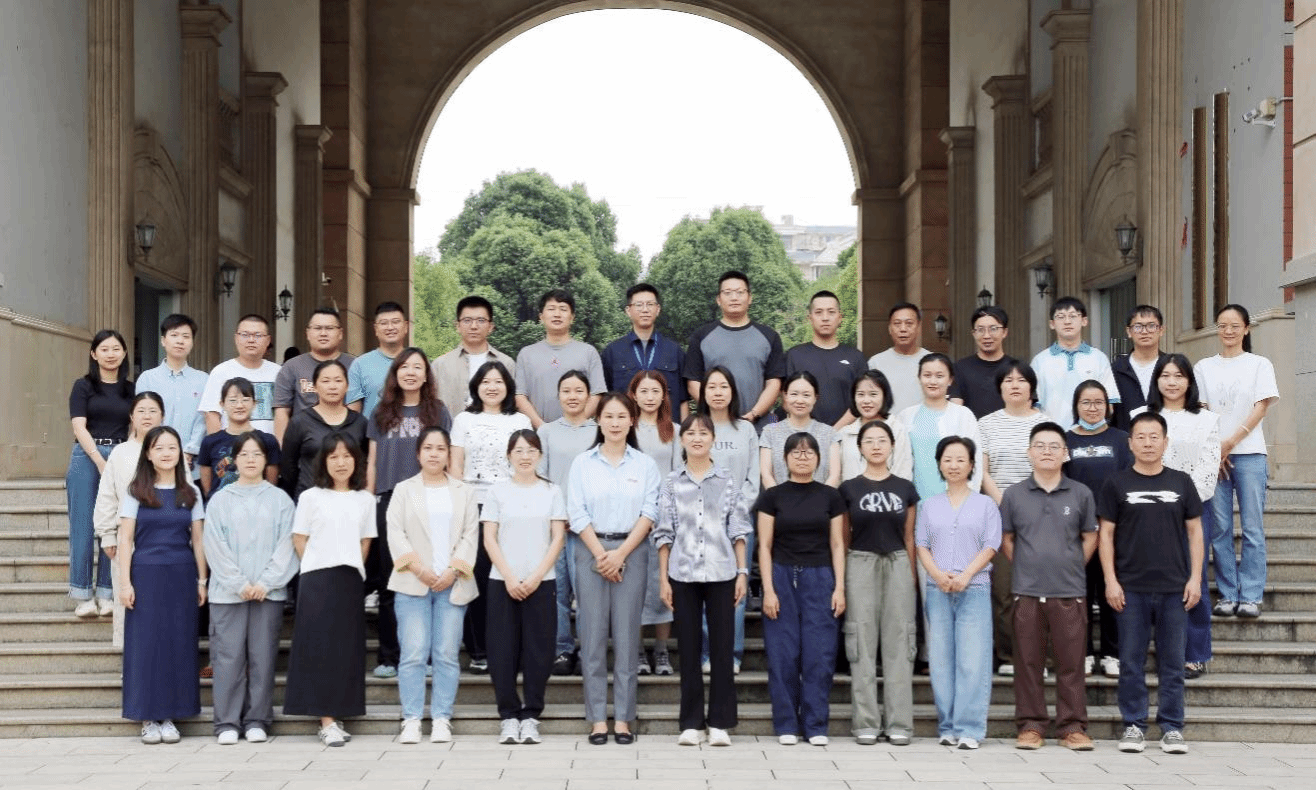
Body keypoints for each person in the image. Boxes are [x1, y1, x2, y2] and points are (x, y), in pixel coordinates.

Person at [1098, 412, 1204, 756]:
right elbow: (1106, 535)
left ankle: (1172, 728)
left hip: (1175, 588)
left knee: (1172, 663)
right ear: (1130, 443)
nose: (1147, 443)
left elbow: (1195, 532)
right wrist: (1111, 581)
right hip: (1130, 588)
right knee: (1130, 662)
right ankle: (1133, 725)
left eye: (1154, 436)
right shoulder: (1116, 483)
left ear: (1165, 442)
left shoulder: (1181, 482)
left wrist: (1195, 579)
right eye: (1140, 437)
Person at [566, 392, 661, 745]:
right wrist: (601, 554)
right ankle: (597, 720)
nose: (616, 423)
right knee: (592, 638)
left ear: (632, 420)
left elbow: (650, 512)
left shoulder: (645, 465)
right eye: (609, 416)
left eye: (622, 416)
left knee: (626, 638)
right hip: (589, 550)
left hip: (631, 552)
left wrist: (620, 554)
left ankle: (622, 718)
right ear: (599, 421)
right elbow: (576, 511)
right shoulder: (582, 463)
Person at [652, 413, 752, 747]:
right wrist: (664, 579)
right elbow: (664, 532)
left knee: (722, 648)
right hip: (682, 573)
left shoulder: (727, 479)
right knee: (689, 648)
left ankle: (720, 722)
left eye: (703, 433)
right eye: (691, 433)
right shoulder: (671, 482)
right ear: (682, 440)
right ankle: (692, 723)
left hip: (722, 572)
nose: (697, 438)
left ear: (713, 439)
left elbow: (738, 528)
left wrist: (742, 572)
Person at [1000, 422, 1098, 751]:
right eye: (1040, 446)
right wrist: (1028, 566)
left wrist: (1070, 565)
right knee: (1028, 664)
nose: (1047, 451)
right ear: (1029, 453)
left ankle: (1072, 727)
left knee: (1071, 664)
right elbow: (1007, 539)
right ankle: (1031, 726)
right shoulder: (1013, 495)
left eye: (1054, 446)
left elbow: (1090, 537)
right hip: (1027, 592)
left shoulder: (1081, 493)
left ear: (1065, 453)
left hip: (1069, 592)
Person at [202, 432, 297, 745]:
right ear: (234, 459)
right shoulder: (221, 500)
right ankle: (227, 722)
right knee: (227, 658)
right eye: (245, 454)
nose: (251, 460)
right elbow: (214, 545)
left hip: (268, 593)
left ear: (266, 459)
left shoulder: (280, 500)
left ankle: (257, 719)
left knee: (262, 657)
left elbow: (288, 545)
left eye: (257, 454)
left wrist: (267, 582)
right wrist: (239, 583)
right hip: (227, 595)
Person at [387, 426, 480, 744]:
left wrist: (453, 570)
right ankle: (411, 718)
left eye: (440, 448)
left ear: (448, 454)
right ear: (418, 453)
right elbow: (395, 533)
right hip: (412, 582)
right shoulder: (404, 490)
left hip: (452, 584)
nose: (434, 454)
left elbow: (470, 535)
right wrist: (418, 568)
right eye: (428, 448)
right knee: (413, 653)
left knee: (446, 654)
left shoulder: (464, 491)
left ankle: (441, 717)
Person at [283, 434, 376, 747]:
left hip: (350, 578)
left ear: (356, 461)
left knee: (346, 649)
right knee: (320, 648)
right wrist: (316, 563)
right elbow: (299, 538)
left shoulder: (364, 499)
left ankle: (340, 713)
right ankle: (326, 720)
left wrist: (351, 566)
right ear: (323, 461)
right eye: (333, 456)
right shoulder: (311, 497)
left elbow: (365, 541)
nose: (340, 462)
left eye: (347, 456)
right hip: (317, 578)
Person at [366, 347, 453, 679]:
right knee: (392, 579)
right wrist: (369, 500)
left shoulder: (438, 411)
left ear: (426, 374)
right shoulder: (381, 412)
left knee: (429, 577)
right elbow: (372, 461)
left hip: (430, 498)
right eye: (405, 367)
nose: (411, 373)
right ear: (396, 373)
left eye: (418, 367)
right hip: (390, 500)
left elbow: (447, 457)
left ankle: (427, 656)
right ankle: (390, 656)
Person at [117, 426, 207, 745]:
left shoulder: (190, 492)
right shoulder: (136, 491)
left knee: (177, 643)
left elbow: (198, 540)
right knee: (146, 645)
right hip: (145, 575)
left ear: (181, 453)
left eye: (172, 447)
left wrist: (202, 579)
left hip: (181, 574)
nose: (166, 453)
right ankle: (147, 717)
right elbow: (125, 539)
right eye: (159, 448)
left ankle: (169, 716)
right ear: (149, 454)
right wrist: (125, 583)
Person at [757, 432, 846, 746]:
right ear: (785, 459)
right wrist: (768, 589)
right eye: (796, 452)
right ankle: (786, 725)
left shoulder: (831, 496)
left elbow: (838, 544)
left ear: (819, 459)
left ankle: (816, 725)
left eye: (809, 452)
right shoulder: (772, 496)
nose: (803, 457)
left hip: (820, 577)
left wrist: (840, 587)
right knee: (782, 654)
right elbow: (764, 546)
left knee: (819, 654)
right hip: (781, 575)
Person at [1195, 304, 1280, 619]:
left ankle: (1252, 595)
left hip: (1250, 454)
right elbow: (1201, 409)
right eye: (1222, 325)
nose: (1228, 331)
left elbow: (1261, 407)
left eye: (1234, 325)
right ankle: (1228, 594)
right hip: (1214, 457)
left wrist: (1229, 443)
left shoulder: (1259, 364)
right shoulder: (1204, 367)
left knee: (1253, 527)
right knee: (1220, 527)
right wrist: (1215, 449)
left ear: (1246, 329)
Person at [482, 429, 567, 745]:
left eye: (531, 450)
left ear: (540, 455)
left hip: (541, 583)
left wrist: (534, 577)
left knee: (538, 651)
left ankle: (531, 716)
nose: (525, 456)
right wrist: (509, 576)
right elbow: (489, 538)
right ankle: (508, 716)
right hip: (502, 582)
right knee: (502, 651)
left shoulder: (552, 491)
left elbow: (557, 538)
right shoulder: (497, 492)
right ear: (508, 455)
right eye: (518, 450)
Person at [916, 436, 1000, 750]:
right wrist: (938, 575)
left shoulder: (985, 504)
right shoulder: (928, 505)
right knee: (941, 660)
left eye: (960, 459)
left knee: (972, 660)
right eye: (947, 459)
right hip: (938, 589)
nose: (953, 465)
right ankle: (947, 726)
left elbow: (991, 545)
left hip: (974, 588)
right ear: (939, 464)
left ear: (971, 465)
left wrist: (965, 575)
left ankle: (970, 729)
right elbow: (922, 545)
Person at [839, 419, 919, 746]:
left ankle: (900, 723)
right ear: (859, 447)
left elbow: (910, 537)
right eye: (869, 440)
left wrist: (911, 577)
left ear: (892, 446)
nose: (876, 446)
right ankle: (866, 722)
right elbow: (843, 537)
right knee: (860, 642)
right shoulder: (849, 489)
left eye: (882, 440)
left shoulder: (905, 488)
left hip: (898, 562)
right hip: (860, 561)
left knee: (900, 641)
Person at [1140, 354, 1219, 680]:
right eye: (1165, 375)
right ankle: (1165, 651)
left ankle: (1195, 653)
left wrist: (1179, 502)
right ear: (1156, 380)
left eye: (1179, 376)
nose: (1172, 382)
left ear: (1189, 381)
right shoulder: (1141, 417)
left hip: (1193, 509)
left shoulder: (1206, 420)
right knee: (1154, 581)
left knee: (1193, 579)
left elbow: (1208, 468)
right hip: (1146, 508)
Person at [450, 360, 531, 674]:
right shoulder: (464, 420)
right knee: (478, 576)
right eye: (485, 382)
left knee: (512, 575)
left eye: (498, 381)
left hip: (512, 505)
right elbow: (456, 466)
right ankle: (479, 650)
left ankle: (513, 648)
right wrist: (461, 507)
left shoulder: (520, 420)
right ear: (476, 387)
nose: (492, 387)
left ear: (508, 386)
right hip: (474, 505)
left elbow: (527, 464)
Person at [978, 361, 1049, 676]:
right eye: (1008, 380)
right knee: (1004, 590)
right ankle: (1009, 656)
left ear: (1032, 387)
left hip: (1040, 514)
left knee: (1041, 590)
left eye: (1021, 380)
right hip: (999, 516)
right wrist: (1007, 503)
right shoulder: (986, 424)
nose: (1015, 385)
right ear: (1000, 388)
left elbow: (1052, 467)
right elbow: (982, 471)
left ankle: (1041, 658)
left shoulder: (1046, 423)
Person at [1063, 381, 1133, 678]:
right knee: (1079, 593)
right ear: (1076, 406)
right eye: (1086, 402)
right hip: (1076, 531)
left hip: (1113, 529)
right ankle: (1084, 653)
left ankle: (1111, 653)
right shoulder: (1065, 440)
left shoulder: (1121, 439)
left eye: (1098, 402)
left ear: (1108, 407)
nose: (1092, 408)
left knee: (1111, 591)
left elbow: (1129, 479)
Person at [694, 366, 761, 671]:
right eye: (712, 387)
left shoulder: (745, 429)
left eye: (723, 386)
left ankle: (731, 654)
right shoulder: (696, 427)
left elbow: (753, 478)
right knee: (705, 588)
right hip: (701, 520)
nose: (718, 392)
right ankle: (708, 653)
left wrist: (735, 510)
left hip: (739, 520)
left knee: (736, 588)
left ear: (732, 392)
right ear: (703, 393)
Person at [537, 370, 599, 676]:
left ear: (588, 395)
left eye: (579, 390)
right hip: (556, 526)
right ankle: (562, 648)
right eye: (567, 391)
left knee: (589, 593)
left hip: (590, 528)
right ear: (558, 395)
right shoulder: (546, 432)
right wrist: (557, 518)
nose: (573, 396)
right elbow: (541, 478)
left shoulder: (599, 430)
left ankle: (589, 650)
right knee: (557, 591)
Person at [68, 329, 133, 617]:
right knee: (82, 527)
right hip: (86, 456)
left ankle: (107, 592)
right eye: (104, 349)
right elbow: (78, 426)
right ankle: (82, 594)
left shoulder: (130, 389)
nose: (110, 354)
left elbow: (134, 427)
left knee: (114, 525)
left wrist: (123, 459)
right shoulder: (83, 386)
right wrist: (99, 460)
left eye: (116, 348)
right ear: (94, 354)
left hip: (120, 454)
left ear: (124, 353)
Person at [94, 392, 165, 647]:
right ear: (132, 417)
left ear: (162, 416)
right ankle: (132, 662)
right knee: (129, 601)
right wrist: (107, 534)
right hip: (128, 540)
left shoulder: (170, 449)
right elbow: (107, 495)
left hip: (165, 540)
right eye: (141, 411)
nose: (147, 416)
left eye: (153, 411)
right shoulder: (120, 453)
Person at [683, 270, 787, 430]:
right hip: (714, 427)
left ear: (750, 298)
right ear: (718, 299)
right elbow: (693, 382)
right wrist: (719, 413)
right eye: (728, 293)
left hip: (758, 428)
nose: (734, 298)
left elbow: (774, 383)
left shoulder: (769, 336)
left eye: (740, 292)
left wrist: (754, 414)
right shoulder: (701, 336)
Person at [627, 371, 679, 675]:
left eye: (655, 391)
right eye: (643, 391)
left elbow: (677, 474)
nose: (649, 397)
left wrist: (667, 514)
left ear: (664, 395)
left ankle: (661, 651)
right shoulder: (626, 427)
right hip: (631, 518)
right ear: (633, 395)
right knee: (634, 587)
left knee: (662, 584)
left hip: (663, 518)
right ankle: (636, 651)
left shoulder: (674, 430)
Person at [892, 353, 983, 500]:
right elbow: (898, 462)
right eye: (927, 375)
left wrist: (970, 499)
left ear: (950, 380)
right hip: (915, 501)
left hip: (957, 501)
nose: (933, 381)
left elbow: (975, 461)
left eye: (939, 376)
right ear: (919, 378)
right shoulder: (905, 416)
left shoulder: (963, 415)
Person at [514, 289, 607, 428]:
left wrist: (574, 424)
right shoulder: (526, 354)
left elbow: (597, 394)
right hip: (537, 434)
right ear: (541, 316)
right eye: (551, 309)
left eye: (563, 309)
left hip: (579, 432)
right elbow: (520, 396)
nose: (557, 314)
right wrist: (542, 427)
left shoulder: (588, 352)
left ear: (572, 317)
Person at [279, 360, 368, 500]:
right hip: (310, 500)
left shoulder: (360, 422)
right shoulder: (300, 422)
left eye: (338, 380)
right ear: (314, 386)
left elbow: (365, 463)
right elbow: (288, 467)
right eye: (325, 381)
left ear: (347, 386)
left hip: (350, 500)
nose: (332, 386)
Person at [135, 314, 208, 473]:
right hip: (153, 464)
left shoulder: (203, 380)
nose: (180, 341)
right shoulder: (147, 379)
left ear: (192, 342)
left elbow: (203, 420)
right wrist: (159, 450)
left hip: (192, 466)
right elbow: (142, 420)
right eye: (174, 335)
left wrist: (190, 451)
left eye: (186, 336)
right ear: (163, 340)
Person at [1030, 297, 1119, 425]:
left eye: (1073, 316)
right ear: (1052, 324)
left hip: (1089, 434)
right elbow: (1033, 406)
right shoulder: (1040, 361)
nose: (1067, 322)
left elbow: (1109, 404)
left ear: (1084, 321)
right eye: (1060, 317)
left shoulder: (1099, 358)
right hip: (1051, 433)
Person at [601, 283, 685, 417]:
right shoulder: (612, 352)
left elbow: (683, 399)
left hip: (667, 426)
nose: (645, 310)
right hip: (626, 427)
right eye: (639, 305)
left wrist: (683, 429)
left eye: (650, 304)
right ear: (628, 310)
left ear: (658, 309)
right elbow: (604, 399)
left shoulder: (674, 350)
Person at [273, 307, 356, 441]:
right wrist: (284, 449)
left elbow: (356, 410)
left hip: (345, 444)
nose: (323, 333)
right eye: (317, 328)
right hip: (303, 444)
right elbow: (282, 411)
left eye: (329, 328)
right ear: (307, 333)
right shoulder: (291, 367)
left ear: (340, 333)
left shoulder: (355, 366)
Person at [786, 290, 866, 427]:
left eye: (831, 312)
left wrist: (834, 431)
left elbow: (863, 399)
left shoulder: (855, 357)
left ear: (840, 317)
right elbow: (785, 399)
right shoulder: (794, 355)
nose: (825, 318)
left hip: (846, 432)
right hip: (804, 433)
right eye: (818, 312)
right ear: (810, 318)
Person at [431, 295, 517, 414]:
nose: (474, 326)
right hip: (450, 426)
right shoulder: (440, 365)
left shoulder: (506, 363)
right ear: (457, 326)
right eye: (467, 320)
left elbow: (512, 402)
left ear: (491, 326)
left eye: (481, 320)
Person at [196, 378, 280, 499]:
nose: (239, 405)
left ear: (254, 403)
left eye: (245, 400)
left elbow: (271, 484)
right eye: (233, 400)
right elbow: (208, 487)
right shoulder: (210, 442)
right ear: (222, 404)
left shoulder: (268, 441)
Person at [198, 315, 281, 435]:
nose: (251, 340)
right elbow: (212, 415)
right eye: (245, 335)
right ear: (236, 338)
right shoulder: (221, 372)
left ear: (268, 340)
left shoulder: (278, 372)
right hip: (231, 445)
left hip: (269, 445)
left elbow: (285, 414)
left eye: (258, 335)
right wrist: (218, 444)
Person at [759, 371, 841, 488]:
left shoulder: (829, 433)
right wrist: (778, 498)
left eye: (806, 395)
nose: (800, 400)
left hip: (822, 498)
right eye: (794, 394)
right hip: (779, 498)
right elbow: (766, 475)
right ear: (785, 396)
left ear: (815, 398)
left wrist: (822, 498)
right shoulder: (770, 432)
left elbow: (834, 476)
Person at [835, 370, 912, 481]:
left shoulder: (897, 429)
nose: (866, 401)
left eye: (873, 394)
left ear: (884, 396)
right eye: (860, 394)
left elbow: (903, 473)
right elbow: (837, 476)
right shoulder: (845, 433)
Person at [949, 305, 1017, 419]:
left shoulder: (1016, 369)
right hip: (971, 429)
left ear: (1005, 332)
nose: (986, 336)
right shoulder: (960, 368)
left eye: (993, 329)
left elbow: (1027, 407)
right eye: (980, 330)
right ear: (973, 333)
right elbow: (955, 409)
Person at [347, 301, 411, 419]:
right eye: (384, 323)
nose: (390, 327)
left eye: (395, 322)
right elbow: (353, 413)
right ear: (376, 329)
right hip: (372, 430)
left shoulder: (417, 363)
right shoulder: (360, 365)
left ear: (406, 326)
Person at [1111, 305, 1170, 431]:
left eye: (1151, 326)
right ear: (1129, 331)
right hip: (1126, 439)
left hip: (1166, 438)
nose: (1144, 331)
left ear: (1161, 330)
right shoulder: (1115, 369)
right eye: (1138, 327)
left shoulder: (1172, 367)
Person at [866, 303, 931, 416]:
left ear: (919, 327)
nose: (903, 329)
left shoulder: (932, 361)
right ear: (889, 328)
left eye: (909, 323)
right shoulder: (876, 363)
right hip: (887, 426)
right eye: (897, 324)